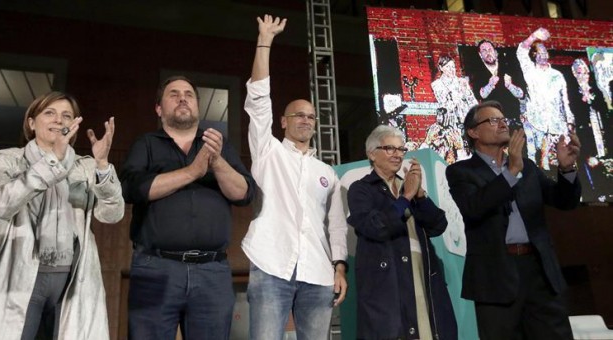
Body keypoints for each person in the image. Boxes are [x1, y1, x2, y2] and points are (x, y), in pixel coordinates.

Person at [0, 91, 123, 340]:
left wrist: (101, 166)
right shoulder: (6, 161)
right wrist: (53, 160)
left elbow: (112, 214)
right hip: (19, 280)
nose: (58, 120)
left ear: (74, 126)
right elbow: (0, 204)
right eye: (49, 113)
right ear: (32, 123)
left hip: (72, 282)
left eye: (66, 115)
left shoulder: (85, 166)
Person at [120, 75, 256, 340]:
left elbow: (244, 193)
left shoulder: (219, 146)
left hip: (212, 271)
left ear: (197, 106)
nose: (182, 98)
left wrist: (216, 162)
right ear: (159, 109)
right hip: (155, 267)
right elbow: (131, 189)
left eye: (189, 94)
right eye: (173, 94)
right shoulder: (146, 144)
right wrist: (193, 171)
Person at [241, 15, 348, 340]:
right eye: (298, 115)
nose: (306, 120)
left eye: (311, 116)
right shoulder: (268, 151)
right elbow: (258, 100)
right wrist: (265, 41)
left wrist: (339, 267)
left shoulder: (326, 173)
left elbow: (337, 224)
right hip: (272, 263)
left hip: (318, 272)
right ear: (283, 122)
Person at [446, 101, 581, 340]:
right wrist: (510, 173)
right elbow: (474, 208)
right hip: (496, 275)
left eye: (503, 119)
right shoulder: (461, 172)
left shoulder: (527, 168)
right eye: (493, 120)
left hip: (539, 271)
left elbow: (563, 201)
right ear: (474, 132)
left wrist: (567, 168)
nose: (502, 124)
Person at [347, 125, 457, 340]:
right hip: (388, 278)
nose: (397, 154)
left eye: (401, 149)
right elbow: (375, 227)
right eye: (389, 148)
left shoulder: (409, 185)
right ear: (372, 154)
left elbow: (438, 225)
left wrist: (421, 196)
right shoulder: (361, 189)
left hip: (421, 270)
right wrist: (405, 197)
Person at [517, 28, 575, 170]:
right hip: (538, 126)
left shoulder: (557, 75)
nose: (542, 54)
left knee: (565, 165)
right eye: (538, 52)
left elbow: (565, 101)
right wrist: (533, 36)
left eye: (544, 51)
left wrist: (569, 122)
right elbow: (521, 51)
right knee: (543, 167)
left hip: (558, 127)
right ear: (533, 55)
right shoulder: (530, 72)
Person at [470, 39, 525, 128]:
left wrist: (510, 86)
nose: (488, 52)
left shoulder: (509, 67)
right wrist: (490, 85)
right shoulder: (478, 73)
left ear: (495, 52)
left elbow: (521, 94)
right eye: (484, 50)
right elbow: (481, 95)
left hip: (513, 120)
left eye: (490, 49)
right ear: (480, 55)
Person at [431, 54, 478, 126]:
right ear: (441, 68)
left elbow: (472, 100)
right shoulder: (437, 84)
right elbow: (445, 105)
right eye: (448, 67)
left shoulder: (462, 81)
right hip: (450, 122)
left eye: (453, 67)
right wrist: (460, 93)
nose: (451, 70)